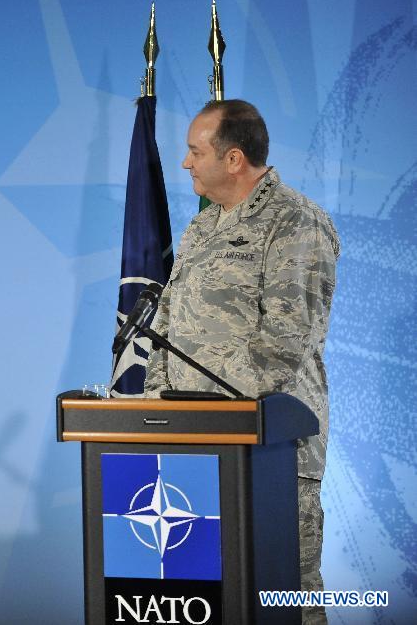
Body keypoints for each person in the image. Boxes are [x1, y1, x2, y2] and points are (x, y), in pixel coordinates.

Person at [144, 99, 339, 624]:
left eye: (194, 151)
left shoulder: (296, 222)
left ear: (234, 159)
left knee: (285, 599)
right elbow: (164, 326)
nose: (185, 163)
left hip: (271, 449)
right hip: (192, 449)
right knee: (205, 598)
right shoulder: (201, 229)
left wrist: (209, 413)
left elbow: (284, 341)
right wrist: (160, 409)